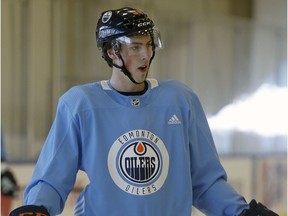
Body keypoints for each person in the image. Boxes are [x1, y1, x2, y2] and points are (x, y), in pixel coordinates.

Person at [10, 7, 278, 216]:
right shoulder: (80, 104)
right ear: (111, 52)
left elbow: (205, 183)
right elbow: (52, 178)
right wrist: (37, 207)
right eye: (135, 47)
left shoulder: (180, 100)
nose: (145, 55)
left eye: (148, 45)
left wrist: (240, 211)